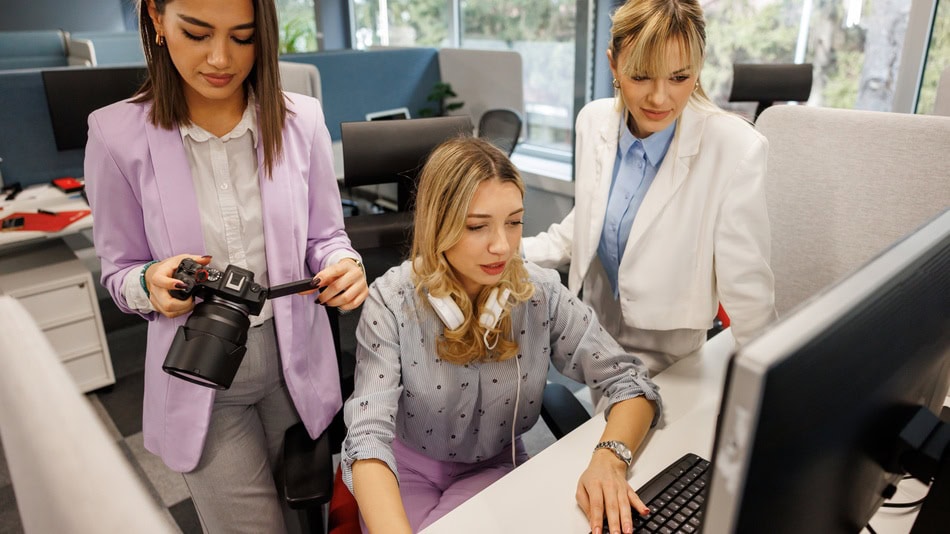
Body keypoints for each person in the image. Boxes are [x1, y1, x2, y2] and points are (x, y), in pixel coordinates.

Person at [84, 0, 368, 531]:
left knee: (308, 517)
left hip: (295, 361)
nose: (221, 58)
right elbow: (119, 271)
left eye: (242, 37)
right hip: (201, 370)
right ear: (156, 19)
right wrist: (148, 282)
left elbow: (327, 235)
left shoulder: (299, 119)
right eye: (197, 33)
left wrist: (344, 262)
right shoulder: (115, 135)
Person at [341, 137, 662, 534]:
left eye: (514, 222)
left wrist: (609, 458)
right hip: (403, 470)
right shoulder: (391, 302)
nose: (502, 246)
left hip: (494, 466)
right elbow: (368, 436)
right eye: (477, 226)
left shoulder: (540, 294)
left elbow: (630, 383)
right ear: (438, 225)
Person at [523, 0, 777, 378]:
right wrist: (502, 251)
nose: (660, 98)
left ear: (699, 66)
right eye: (641, 76)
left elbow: (748, 293)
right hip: (595, 334)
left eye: (678, 77)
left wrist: (771, 393)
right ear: (614, 64)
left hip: (671, 359)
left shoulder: (734, 148)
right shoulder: (594, 121)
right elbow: (586, 222)